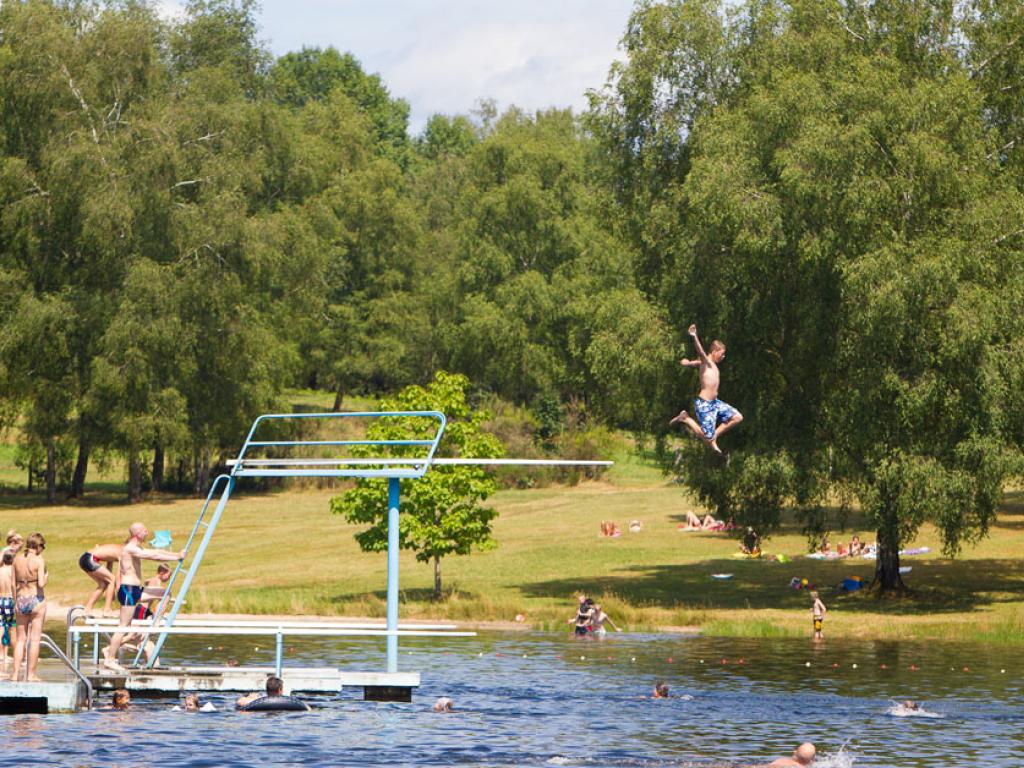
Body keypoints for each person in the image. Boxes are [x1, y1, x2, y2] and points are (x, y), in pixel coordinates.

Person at [103, 523, 184, 670]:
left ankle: (157, 621)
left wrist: (176, 555)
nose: (147, 532)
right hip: (128, 590)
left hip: (136, 590)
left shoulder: (138, 547)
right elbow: (152, 556)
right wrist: (175, 557)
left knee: (165, 594)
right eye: (144, 530)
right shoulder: (130, 549)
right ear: (136, 534)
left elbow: (157, 551)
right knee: (123, 627)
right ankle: (110, 658)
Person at [669, 324, 743, 454]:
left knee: (737, 417)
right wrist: (694, 336)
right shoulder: (707, 362)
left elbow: (697, 362)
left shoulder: (709, 364)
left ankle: (713, 437)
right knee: (707, 439)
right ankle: (685, 418)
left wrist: (688, 363)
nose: (723, 357)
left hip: (716, 403)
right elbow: (701, 353)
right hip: (704, 404)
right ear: (714, 351)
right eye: (722, 354)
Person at [12, 533, 47, 682]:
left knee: (20, 640)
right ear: (38, 546)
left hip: (20, 599)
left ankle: (14, 674)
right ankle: (31, 674)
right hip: (35, 600)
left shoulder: (17, 559)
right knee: (34, 640)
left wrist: (16, 602)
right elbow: (41, 584)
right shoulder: (39, 560)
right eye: (42, 546)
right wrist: (46, 576)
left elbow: (13, 584)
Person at [80, 543, 124, 617]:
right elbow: (118, 577)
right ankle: (107, 610)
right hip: (90, 559)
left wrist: (111, 588)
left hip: (84, 558)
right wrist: (121, 595)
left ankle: (87, 609)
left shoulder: (115, 549)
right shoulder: (123, 552)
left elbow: (109, 567)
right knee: (112, 579)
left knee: (103, 584)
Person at [0, 549, 14, 678]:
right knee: (9, 628)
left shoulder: (0, 570)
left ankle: (1, 655)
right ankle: (6, 655)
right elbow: (15, 586)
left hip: (0, 599)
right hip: (10, 600)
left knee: (0, 627)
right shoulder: (11, 571)